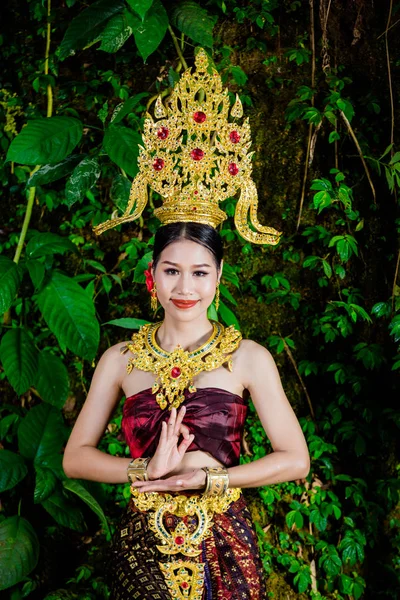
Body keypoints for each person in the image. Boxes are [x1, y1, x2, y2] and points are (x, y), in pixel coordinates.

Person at [63, 49, 310, 600]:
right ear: (152, 274)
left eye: (199, 272)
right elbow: (75, 458)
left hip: (223, 535)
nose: (185, 288)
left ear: (218, 277)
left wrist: (209, 478)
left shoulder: (248, 357)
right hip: (142, 542)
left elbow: (295, 459)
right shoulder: (121, 359)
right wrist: (146, 469)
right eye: (171, 270)